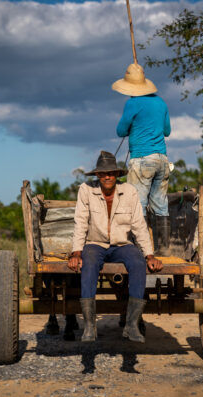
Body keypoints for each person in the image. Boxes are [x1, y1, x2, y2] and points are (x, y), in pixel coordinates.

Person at [68, 151, 163, 343]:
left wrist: (149, 255)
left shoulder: (129, 191)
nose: (107, 176)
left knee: (137, 263)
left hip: (121, 245)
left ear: (117, 175)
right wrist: (76, 252)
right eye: (103, 173)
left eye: (111, 173)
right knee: (89, 263)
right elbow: (81, 222)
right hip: (95, 244)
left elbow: (138, 225)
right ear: (97, 175)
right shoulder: (86, 190)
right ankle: (89, 326)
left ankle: (132, 325)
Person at [112, 63, 172, 256]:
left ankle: (140, 251)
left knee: (137, 205)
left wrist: (135, 126)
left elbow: (121, 130)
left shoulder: (132, 103)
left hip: (142, 159)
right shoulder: (161, 102)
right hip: (162, 159)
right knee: (160, 205)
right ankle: (163, 250)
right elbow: (167, 131)